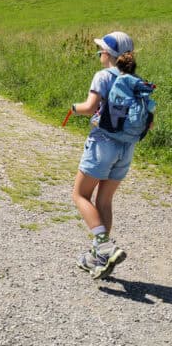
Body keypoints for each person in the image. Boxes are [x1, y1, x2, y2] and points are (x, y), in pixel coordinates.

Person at [71, 31, 138, 279]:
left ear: (108, 54)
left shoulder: (103, 76)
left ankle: (105, 246)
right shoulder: (134, 79)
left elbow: (89, 108)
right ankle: (98, 257)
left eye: (101, 50)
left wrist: (73, 108)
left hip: (102, 146)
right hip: (126, 148)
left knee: (79, 195)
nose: (99, 53)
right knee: (104, 201)